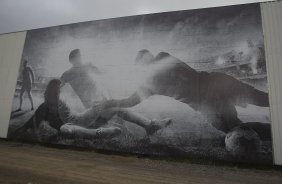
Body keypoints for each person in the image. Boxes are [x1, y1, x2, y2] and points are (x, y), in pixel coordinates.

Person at [97, 49, 270, 136]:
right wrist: (110, 103)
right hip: (208, 98)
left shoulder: (162, 60)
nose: (150, 58)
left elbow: (131, 100)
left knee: (260, 99)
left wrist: (110, 103)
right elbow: (131, 101)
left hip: (213, 86)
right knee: (235, 129)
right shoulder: (150, 81)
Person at [15, 78, 171, 141]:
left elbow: (34, 121)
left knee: (114, 106)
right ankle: (106, 132)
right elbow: (33, 121)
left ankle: (150, 125)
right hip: (78, 125)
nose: (57, 91)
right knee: (69, 130)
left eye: (58, 89)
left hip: (84, 119)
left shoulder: (57, 101)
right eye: (55, 89)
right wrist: (24, 129)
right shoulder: (45, 107)